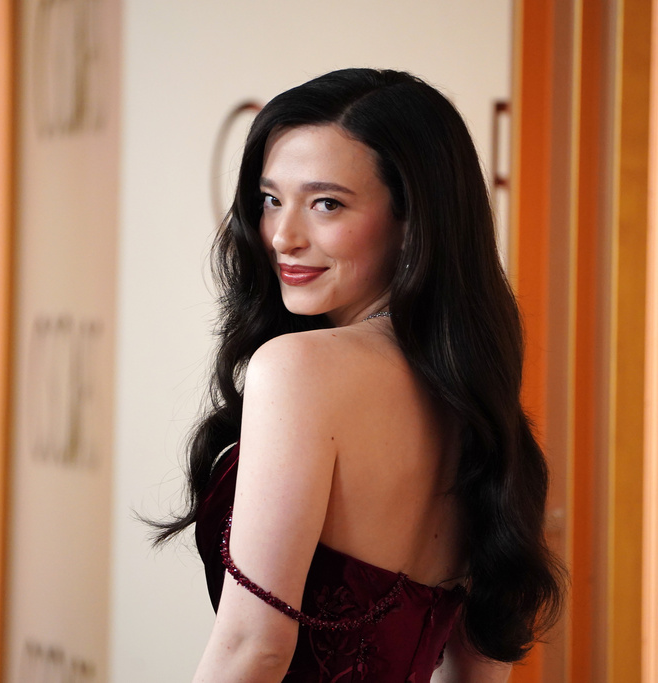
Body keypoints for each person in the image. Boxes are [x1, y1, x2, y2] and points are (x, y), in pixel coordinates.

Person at [152, 68, 565, 682]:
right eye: (271, 200)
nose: (283, 236)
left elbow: (252, 648)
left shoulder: (300, 370)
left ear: (411, 220)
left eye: (326, 204)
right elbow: (482, 671)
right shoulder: (473, 394)